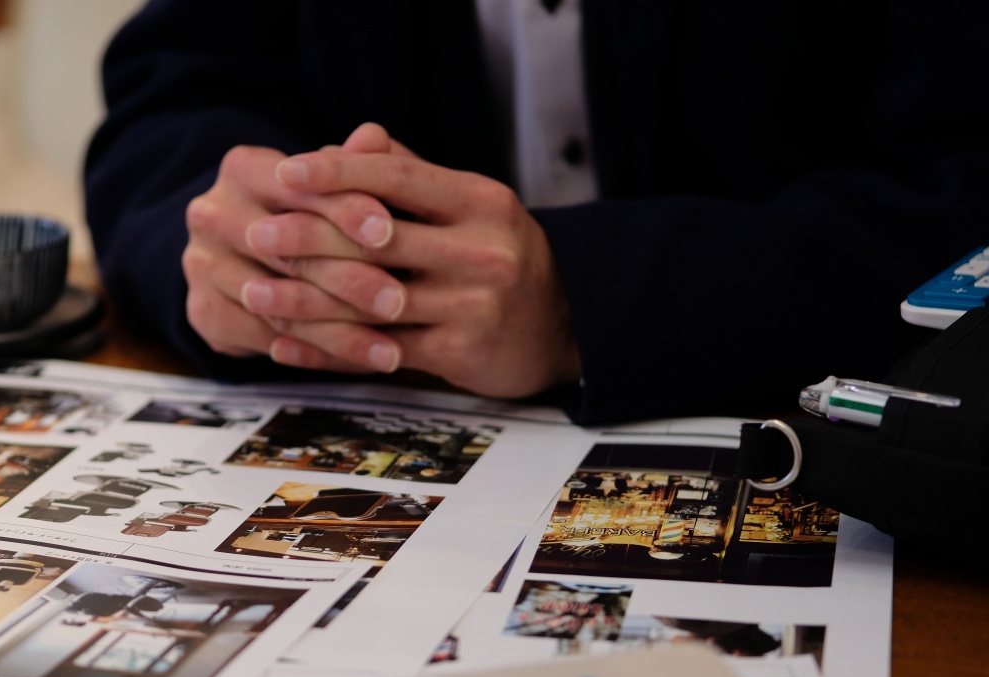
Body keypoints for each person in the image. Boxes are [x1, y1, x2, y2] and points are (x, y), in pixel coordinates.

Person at [84, 1, 989, 425]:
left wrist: (583, 302)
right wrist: (243, 246)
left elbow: (968, 190)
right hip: (379, 414)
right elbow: (171, 101)